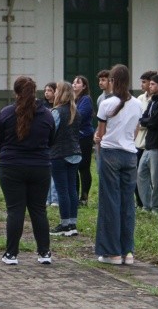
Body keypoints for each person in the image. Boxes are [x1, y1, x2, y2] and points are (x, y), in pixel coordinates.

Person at [0, 76, 55, 265]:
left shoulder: (6, 113)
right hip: (40, 166)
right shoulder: (46, 115)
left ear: (15, 92)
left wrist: (7, 153)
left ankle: (11, 254)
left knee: (15, 210)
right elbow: (51, 139)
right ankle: (44, 253)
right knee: (38, 210)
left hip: (11, 166)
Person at [94, 64, 143, 265]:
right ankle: (127, 251)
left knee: (109, 202)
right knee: (127, 203)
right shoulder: (138, 104)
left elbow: (100, 134)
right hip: (130, 155)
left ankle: (111, 252)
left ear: (113, 81)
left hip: (110, 153)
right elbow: (136, 131)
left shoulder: (107, 104)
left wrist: (98, 138)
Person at [49, 81, 81, 237]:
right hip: (75, 153)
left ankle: (64, 224)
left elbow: (51, 133)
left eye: (56, 91)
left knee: (62, 190)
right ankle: (72, 224)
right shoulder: (76, 111)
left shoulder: (56, 111)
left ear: (60, 93)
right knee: (72, 189)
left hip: (59, 154)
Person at [137, 74, 158, 214]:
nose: (150, 86)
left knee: (157, 179)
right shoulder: (152, 101)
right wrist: (146, 121)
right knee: (141, 174)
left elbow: (154, 122)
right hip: (147, 144)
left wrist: (145, 121)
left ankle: (157, 207)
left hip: (157, 145)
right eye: (149, 84)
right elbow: (144, 118)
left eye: (153, 84)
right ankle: (146, 204)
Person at [134, 70, 157, 209]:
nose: (142, 85)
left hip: (150, 142)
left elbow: (150, 121)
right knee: (138, 174)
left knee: (153, 176)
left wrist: (143, 122)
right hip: (138, 142)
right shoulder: (139, 99)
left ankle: (152, 203)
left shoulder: (157, 100)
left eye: (144, 82)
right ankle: (141, 201)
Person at [72, 75, 95, 206]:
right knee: (73, 166)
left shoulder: (85, 99)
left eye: (78, 83)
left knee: (83, 167)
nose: (74, 84)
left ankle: (84, 197)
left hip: (84, 137)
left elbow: (79, 116)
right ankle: (75, 196)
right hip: (74, 137)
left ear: (84, 86)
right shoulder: (72, 99)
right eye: (74, 82)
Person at [43, 82, 59, 207]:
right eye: (45, 90)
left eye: (49, 90)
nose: (47, 93)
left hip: (55, 143)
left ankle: (54, 198)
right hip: (46, 142)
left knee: (54, 171)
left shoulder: (58, 108)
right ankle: (47, 198)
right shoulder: (43, 107)